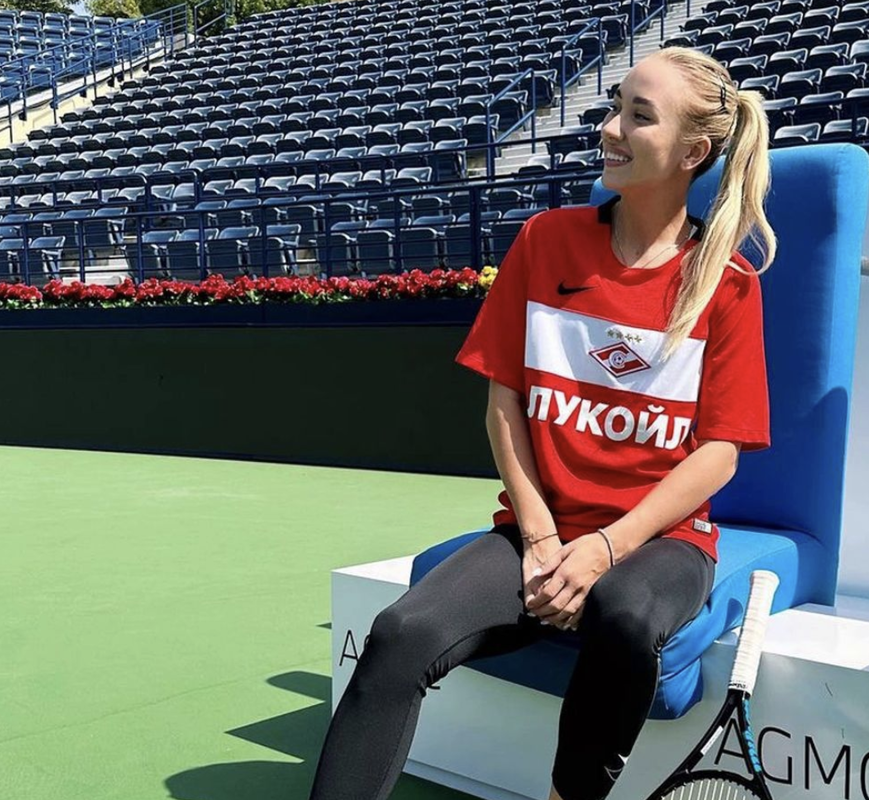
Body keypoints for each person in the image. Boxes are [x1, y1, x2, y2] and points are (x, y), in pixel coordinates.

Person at [308, 45, 777, 800]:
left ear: (693, 152)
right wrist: (539, 537)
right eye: (614, 106)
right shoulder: (545, 240)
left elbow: (719, 453)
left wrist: (607, 548)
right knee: (400, 634)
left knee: (625, 616)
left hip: (661, 542)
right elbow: (505, 404)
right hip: (538, 532)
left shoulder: (728, 284)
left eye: (638, 115)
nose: (609, 128)